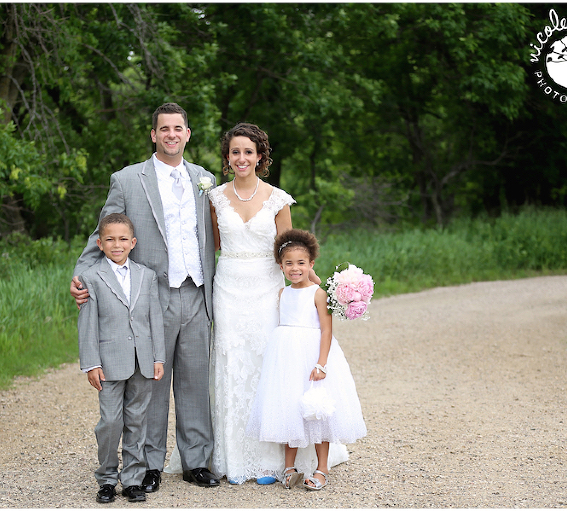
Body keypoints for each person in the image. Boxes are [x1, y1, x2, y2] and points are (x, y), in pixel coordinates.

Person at [166, 123, 348, 484]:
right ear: (227, 158)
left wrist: (327, 291)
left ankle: (270, 460)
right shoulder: (214, 197)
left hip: (267, 289)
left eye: (248, 151)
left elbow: (291, 254)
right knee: (231, 364)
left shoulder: (278, 199)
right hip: (229, 288)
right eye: (235, 152)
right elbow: (209, 245)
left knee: (269, 365)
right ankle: (231, 459)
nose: (241, 158)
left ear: (260, 156)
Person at [71, 103, 220, 492]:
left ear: (188, 134)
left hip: (198, 292)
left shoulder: (204, 178)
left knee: (194, 382)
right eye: (164, 129)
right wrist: (81, 275)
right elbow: (102, 231)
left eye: (178, 128)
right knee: (152, 382)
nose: (171, 134)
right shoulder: (127, 180)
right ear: (153, 135)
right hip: (150, 298)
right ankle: (150, 463)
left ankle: (196, 461)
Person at [246, 229, 367, 491]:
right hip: (286, 357)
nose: (294, 268)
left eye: (301, 263)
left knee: (317, 411)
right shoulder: (282, 293)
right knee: (289, 408)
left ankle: (321, 467)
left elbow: (326, 330)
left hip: (312, 356)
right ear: (281, 265)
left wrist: (321, 363)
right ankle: (289, 468)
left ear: (311, 264)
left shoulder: (318, 293)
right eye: (288, 263)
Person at [77, 213, 166, 503]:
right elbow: (88, 324)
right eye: (110, 240)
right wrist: (92, 363)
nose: (117, 244)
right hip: (109, 362)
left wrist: (158, 358)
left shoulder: (146, 275)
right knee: (110, 422)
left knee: (137, 421)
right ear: (100, 244)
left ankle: (132, 479)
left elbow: (154, 319)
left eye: (123, 239)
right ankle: (106, 478)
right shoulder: (91, 277)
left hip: (142, 361)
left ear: (133, 242)